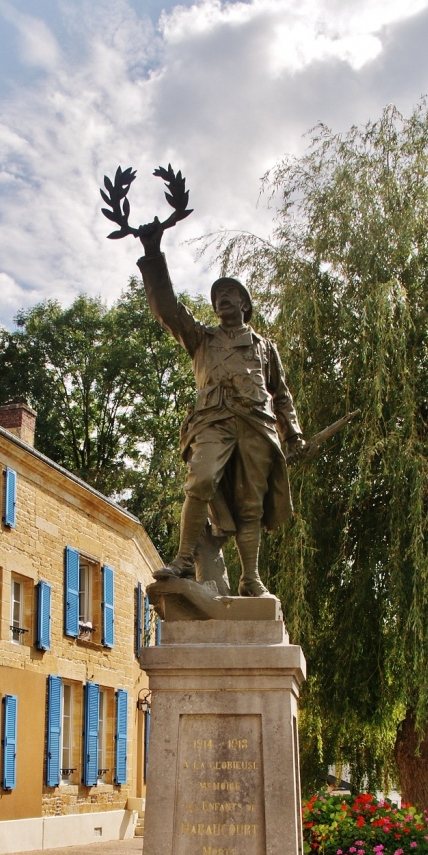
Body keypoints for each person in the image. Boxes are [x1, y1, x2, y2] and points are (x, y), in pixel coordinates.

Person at [136, 221, 305, 596]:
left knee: (251, 505)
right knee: (202, 480)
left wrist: (292, 430)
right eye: (218, 294)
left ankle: (250, 578)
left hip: (257, 425)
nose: (223, 298)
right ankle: (182, 559)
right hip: (213, 421)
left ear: (244, 304)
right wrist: (153, 255)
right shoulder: (201, 339)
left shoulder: (264, 347)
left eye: (230, 293)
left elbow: (281, 394)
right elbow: (165, 307)